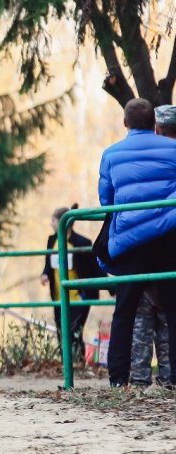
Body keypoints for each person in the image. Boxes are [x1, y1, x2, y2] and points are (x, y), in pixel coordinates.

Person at [97, 98, 176, 388]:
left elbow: (106, 199)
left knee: (124, 311)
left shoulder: (111, 154)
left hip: (129, 243)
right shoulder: (174, 149)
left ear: (125, 123)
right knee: (173, 310)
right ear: (154, 125)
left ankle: (119, 378)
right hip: (169, 240)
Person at [128, 104, 176, 388]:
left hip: (140, 242)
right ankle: (170, 377)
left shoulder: (142, 155)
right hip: (170, 246)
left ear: (156, 128)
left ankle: (139, 379)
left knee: (141, 312)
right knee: (170, 314)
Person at [41, 204, 105, 362]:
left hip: (79, 297)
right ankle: (66, 366)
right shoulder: (52, 241)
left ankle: (78, 365)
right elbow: (49, 263)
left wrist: (112, 286)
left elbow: (94, 267)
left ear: (63, 222)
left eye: (54, 220)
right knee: (61, 332)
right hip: (59, 297)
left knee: (74, 332)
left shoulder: (82, 242)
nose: (51, 224)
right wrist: (45, 274)